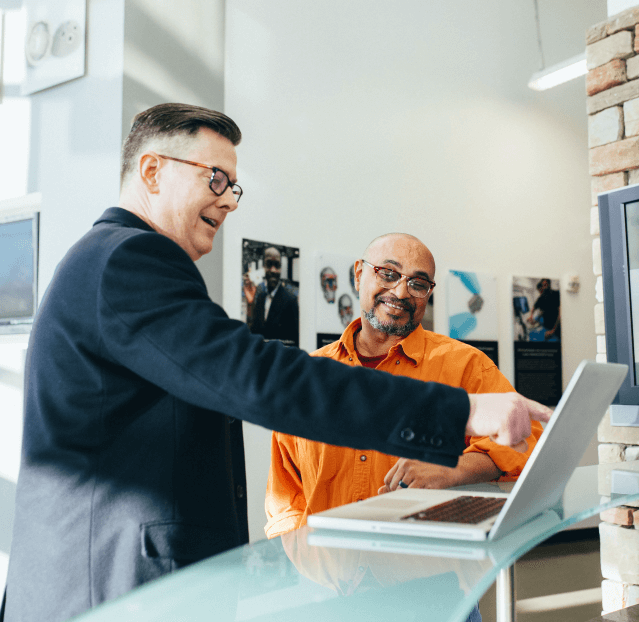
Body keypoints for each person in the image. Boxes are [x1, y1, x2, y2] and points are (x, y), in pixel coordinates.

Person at [2, 104, 550, 622]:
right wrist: (462, 413)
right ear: (151, 171)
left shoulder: (111, 260)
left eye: (232, 185)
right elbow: (257, 377)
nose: (230, 200)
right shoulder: (129, 258)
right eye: (215, 178)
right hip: (111, 587)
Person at [265, 234, 544, 539]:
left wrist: (454, 469)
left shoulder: (466, 365)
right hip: (327, 574)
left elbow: (528, 440)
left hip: (427, 570)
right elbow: (285, 496)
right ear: (359, 274)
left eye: (418, 283)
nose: (400, 292)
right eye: (388, 273)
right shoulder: (310, 376)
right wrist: (300, 562)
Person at [243, 245, 299, 346]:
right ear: (263, 267)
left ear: (281, 268)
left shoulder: (290, 300)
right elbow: (253, 333)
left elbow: (294, 343)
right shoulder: (260, 298)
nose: (273, 270)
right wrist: (250, 304)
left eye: (277, 265)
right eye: (269, 264)